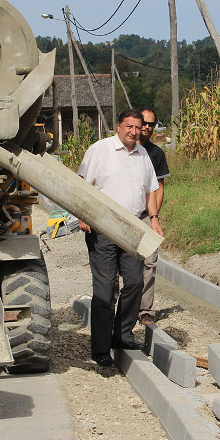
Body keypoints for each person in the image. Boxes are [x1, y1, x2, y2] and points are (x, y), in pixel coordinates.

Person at [77, 109, 163, 368]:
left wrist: (154, 219)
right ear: (118, 126)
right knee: (104, 289)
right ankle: (101, 349)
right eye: (129, 126)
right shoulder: (100, 150)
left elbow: (151, 190)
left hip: (133, 226)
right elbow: (81, 182)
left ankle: (122, 334)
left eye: (138, 127)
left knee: (136, 281)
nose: (134, 132)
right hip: (102, 225)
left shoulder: (143, 154)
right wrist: (82, 214)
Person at [136, 106, 170, 326]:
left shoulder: (156, 153)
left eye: (151, 124)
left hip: (146, 214)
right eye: (144, 123)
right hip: (123, 213)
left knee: (149, 261)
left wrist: (154, 216)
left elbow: (159, 186)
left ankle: (145, 310)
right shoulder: (121, 149)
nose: (147, 127)